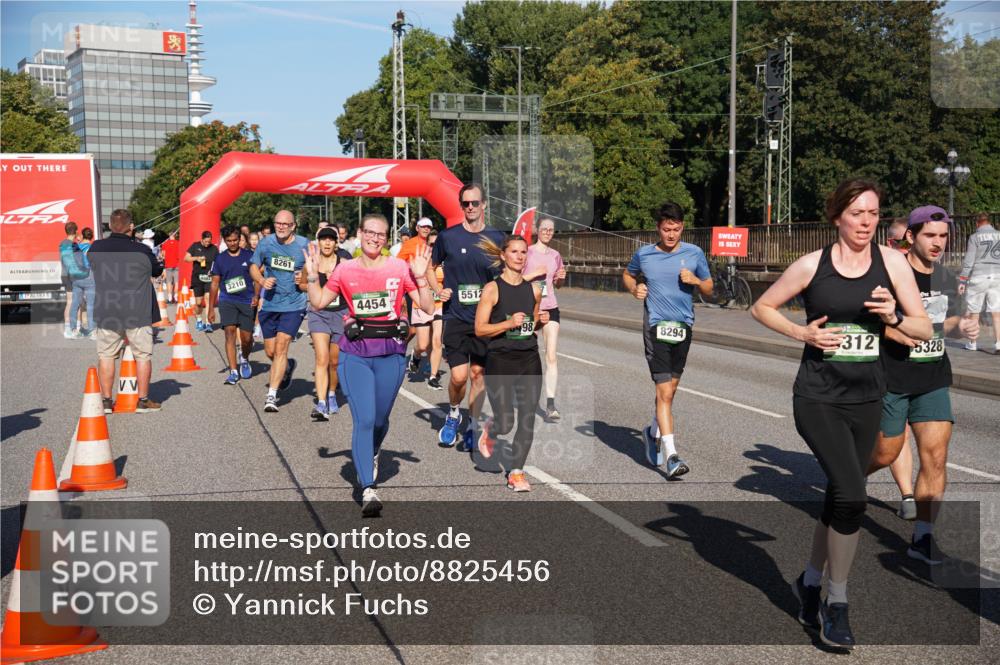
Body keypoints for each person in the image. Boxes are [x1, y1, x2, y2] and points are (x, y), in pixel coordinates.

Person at [750, 179, 930, 649]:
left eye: (873, 213)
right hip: (817, 397)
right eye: (857, 214)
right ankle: (838, 601)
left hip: (867, 396)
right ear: (837, 218)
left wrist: (892, 317)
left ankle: (808, 583)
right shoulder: (813, 265)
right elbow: (761, 306)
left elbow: (922, 327)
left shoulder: (892, 264)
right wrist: (801, 334)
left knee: (838, 495)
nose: (867, 222)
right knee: (852, 494)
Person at [868, 205, 979, 564]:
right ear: (911, 237)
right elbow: (869, 322)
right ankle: (847, 478)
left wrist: (960, 327)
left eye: (943, 236)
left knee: (936, 456)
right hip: (892, 378)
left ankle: (923, 537)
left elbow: (948, 322)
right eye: (930, 235)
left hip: (932, 378)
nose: (938, 243)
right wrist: (895, 331)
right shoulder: (890, 277)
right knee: (884, 453)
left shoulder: (946, 278)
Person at [303, 213, 434, 516]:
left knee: (379, 420)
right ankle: (367, 487)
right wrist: (311, 275)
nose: (375, 238)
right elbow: (320, 302)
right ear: (360, 234)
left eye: (381, 234)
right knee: (363, 419)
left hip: (391, 354)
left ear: (386, 239)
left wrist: (422, 276)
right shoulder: (344, 269)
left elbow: (426, 306)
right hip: (355, 355)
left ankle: (371, 450)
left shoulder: (399, 267)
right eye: (370, 233)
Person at [622, 203, 712, 478]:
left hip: (683, 327)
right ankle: (672, 456)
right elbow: (627, 274)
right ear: (658, 229)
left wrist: (696, 280)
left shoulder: (694, 253)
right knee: (663, 392)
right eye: (666, 229)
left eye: (676, 229)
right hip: (655, 327)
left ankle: (652, 431)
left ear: (682, 227)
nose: (671, 234)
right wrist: (635, 288)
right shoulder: (645, 254)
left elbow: (709, 289)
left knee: (670, 393)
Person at [428, 183, 506, 449]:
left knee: (478, 375)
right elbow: (430, 268)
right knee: (459, 376)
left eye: (475, 203)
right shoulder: (449, 237)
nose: (470, 207)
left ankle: (472, 425)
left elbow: (510, 273)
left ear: (484, 205)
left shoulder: (497, 238)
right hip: (456, 317)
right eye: (466, 204)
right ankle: (453, 413)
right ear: (461, 206)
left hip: (485, 320)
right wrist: (439, 289)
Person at [474, 234, 549, 492]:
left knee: (527, 418)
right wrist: (508, 323)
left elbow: (532, 323)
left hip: (528, 358)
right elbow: (480, 329)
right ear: (503, 256)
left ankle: (516, 472)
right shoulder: (492, 289)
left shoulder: (534, 289)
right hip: (500, 360)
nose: (519, 257)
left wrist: (541, 320)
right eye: (514, 252)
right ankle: (492, 431)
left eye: (523, 252)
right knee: (506, 421)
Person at [88, 209, 164, 414]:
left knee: (106, 355)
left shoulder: (96, 248)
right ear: (131, 227)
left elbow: (92, 265)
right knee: (142, 356)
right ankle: (143, 400)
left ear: (111, 226)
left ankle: (106, 401)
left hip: (107, 311)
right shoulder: (141, 250)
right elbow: (157, 270)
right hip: (137, 311)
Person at [250, 210, 310, 413]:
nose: (281, 227)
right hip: (270, 305)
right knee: (271, 351)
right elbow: (253, 266)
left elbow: (314, 270)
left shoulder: (304, 245)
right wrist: (261, 280)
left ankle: (271, 396)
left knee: (282, 345)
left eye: (285, 224)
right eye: (278, 223)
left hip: (294, 304)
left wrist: (303, 278)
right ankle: (286, 367)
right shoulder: (265, 243)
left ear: (293, 226)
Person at [884, 218, 917, 519]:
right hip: (882, 362)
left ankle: (907, 495)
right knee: (888, 435)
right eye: (904, 244)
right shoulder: (880, 271)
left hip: (915, 365)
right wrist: (900, 334)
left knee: (902, 432)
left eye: (912, 243)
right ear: (891, 243)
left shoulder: (923, 270)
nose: (909, 250)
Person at [296, 226, 347, 420]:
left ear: (336, 243)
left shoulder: (345, 263)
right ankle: (322, 402)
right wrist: (311, 280)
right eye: (323, 239)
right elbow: (301, 284)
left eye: (330, 239)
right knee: (321, 358)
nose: (327, 242)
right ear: (319, 242)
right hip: (318, 312)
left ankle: (332, 393)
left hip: (341, 314)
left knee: (334, 362)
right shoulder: (312, 263)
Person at [524, 217, 567, 421]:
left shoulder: (556, 255)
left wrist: (560, 279)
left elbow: (557, 284)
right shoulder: (527, 252)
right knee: (524, 354)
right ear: (537, 231)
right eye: (544, 229)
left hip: (551, 307)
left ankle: (550, 404)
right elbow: (515, 280)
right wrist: (534, 273)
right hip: (528, 308)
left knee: (551, 356)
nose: (548, 233)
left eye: (551, 230)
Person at [207, 225, 259, 385]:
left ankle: (244, 357)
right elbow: (215, 284)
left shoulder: (250, 256)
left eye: (235, 240)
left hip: (246, 301)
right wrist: (210, 308)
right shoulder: (220, 259)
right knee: (229, 333)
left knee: (247, 338)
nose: (232, 243)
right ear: (224, 241)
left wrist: (257, 296)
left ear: (240, 239)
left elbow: (257, 278)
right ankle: (233, 370)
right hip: (227, 300)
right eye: (229, 241)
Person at [398, 218, 435, 376]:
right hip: (413, 291)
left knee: (434, 331)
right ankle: (400, 351)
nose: (426, 229)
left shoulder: (433, 244)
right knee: (412, 330)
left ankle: (428, 364)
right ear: (418, 228)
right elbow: (398, 264)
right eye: (424, 226)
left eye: (429, 227)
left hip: (431, 291)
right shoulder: (411, 244)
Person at [959, 212, 1000, 353]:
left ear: (977, 224)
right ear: (989, 222)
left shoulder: (975, 237)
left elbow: (969, 261)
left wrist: (963, 279)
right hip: (997, 276)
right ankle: (999, 344)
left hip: (979, 276)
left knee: (974, 311)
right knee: (997, 312)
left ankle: (972, 343)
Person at [183, 231, 219, 332]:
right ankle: (199, 320)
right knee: (199, 303)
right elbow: (186, 258)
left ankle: (208, 323)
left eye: (209, 241)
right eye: (206, 241)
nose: (208, 243)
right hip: (197, 278)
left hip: (209, 278)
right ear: (202, 239)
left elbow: (218, 261)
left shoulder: (214, 249)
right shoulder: (195, 246)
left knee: (208, 299)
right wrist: (197, 258)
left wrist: (214, 271)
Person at [426, 231, 446, 390]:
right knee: (422, 343)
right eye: (431, 244)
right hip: (422, 305)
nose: (434, 247)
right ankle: (417, 355)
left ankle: (433, 376)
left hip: (439, 304)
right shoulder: (420, 260)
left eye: (436, 244)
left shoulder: (445, 261)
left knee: (437, 340)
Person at [59, 222, 87, 338]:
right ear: (75, 232)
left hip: (68, 275)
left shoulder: (65, 244)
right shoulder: (70, 245)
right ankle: (71, 330)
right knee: (74, 302)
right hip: (72, 276)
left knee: (74, 302)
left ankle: (74, 329)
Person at [70, 227, 97, 340]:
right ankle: (92, 331)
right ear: (91, 236)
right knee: (91, 304)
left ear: (83, 235)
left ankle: (72, 329)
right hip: (89, 276)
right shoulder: (92, 248)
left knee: (75, 303)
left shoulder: (77, 246)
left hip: (76, 277)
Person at [158, 232, 180, 303]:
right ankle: (176, 297)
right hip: (177, 265)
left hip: (168, 265)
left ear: (169, 235)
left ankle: (170, 298)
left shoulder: (165, 244)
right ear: (175, 235)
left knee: (169, 282)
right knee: (176, 282)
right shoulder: (179, 243)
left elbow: (162, 256)